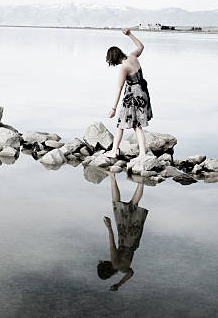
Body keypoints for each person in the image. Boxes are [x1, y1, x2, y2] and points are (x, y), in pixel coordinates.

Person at [104, 28, 153, 158]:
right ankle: (142, 153)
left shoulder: (124, 67)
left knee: (121, 124)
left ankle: (114, 151)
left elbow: (119, 89)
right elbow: (141, 46)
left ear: (113, 58)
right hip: (143, 93)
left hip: (132, 96)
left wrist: (113, 108)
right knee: (137, 125)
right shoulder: (132, 56)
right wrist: (130, 34)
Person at [97, 172, 148, 291]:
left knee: (133, 205)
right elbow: (112, 246)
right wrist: (109, 226)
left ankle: (141, 181)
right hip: (125, 239)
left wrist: (119, 284)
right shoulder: (115, 263)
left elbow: (131, 273)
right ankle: (112, 176)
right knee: (117, 205)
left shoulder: (123, 269)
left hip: (133, 241)